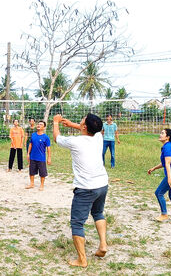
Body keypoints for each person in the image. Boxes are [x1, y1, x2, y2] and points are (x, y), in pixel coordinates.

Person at [53, 113, 108, 267]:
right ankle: (103, 244)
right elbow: (88, 130)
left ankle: (82, 260)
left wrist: (56, 122)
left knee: (77, 223)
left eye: (83, 120)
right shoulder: (98, 137)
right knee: (98, 213)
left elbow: (57, 138)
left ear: (84, 126)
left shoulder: (75, 141)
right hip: (102, 184)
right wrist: (72, 125)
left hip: (86, 187)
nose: (81, 120)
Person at [147, 128, 171, 225]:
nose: (160, 134)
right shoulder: (168, 146)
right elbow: (165, 163)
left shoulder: (167, 147)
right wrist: (154, 168)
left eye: (162, 133)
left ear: (167, 137)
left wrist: (169, 178)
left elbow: (168, 164)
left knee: (159, 193)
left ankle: (164, 215)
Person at [25, 120, 51, 190]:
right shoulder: (33, 135)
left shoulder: (46, 137)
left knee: (42, 172)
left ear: (44, 127)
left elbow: (48, 148)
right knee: (31, 171)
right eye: (38, 124)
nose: (39, 125)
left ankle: (42, 185)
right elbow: (30, 144)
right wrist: (28, 154)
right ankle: (31, 184)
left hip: (41, 158)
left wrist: (49, 158)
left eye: (41, 124)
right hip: (33, 157)